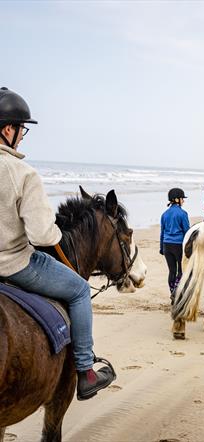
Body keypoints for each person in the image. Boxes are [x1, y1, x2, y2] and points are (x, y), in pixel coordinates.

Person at [0, 87, 115, 399]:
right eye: (21, 129)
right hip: (14, 264)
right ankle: (86, 371)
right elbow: (41, 235)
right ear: (7, 128)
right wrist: (52, 235)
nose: (22, 136)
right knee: (78, 290)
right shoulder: (22, 173)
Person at [160, 188, 190, 297]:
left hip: (166, 244)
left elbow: (162, 232)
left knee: (172, 271)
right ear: (177, 199)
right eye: (182, 198)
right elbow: (187, 232)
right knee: (181, 271)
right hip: (179, 245)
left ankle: (172, 291)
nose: (183, 201)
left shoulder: (164, 214)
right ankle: (177, 292)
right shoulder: (183, 214)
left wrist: (161, 248)